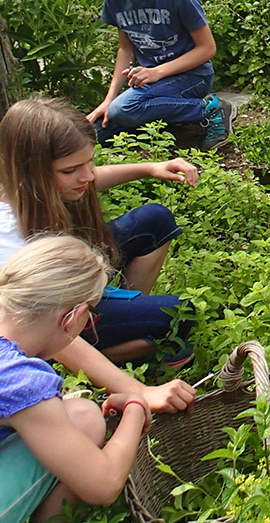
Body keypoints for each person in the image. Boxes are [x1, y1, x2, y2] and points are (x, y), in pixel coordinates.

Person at [0, 235, 196, 523]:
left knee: (81, 414)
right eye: (90, 312)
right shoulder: (22, 380)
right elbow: (103, 486)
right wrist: (135, 408)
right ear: (74, 316)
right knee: (86, 422)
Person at [0, 95, 197, 366]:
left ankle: (130, 314)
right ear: (32, 172)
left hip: (76, 285)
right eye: (71, 170)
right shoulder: (9, 239)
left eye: (88, 163)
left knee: (155, 220)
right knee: (178, 314)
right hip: (56, 320)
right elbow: (37, 324)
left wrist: (150, 168)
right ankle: (70, 361)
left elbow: (91, 176)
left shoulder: (30, 189)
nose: (88, 176)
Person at [84, 0, 234, 150]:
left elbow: (207, 48)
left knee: (123, 110)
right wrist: (108, 99)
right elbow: (125, 49)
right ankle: (159, 118)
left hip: (191, 77)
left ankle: (210, 109)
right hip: (150, 82)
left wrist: (156, 72)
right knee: (97, 133)